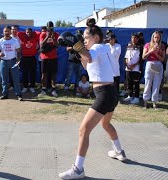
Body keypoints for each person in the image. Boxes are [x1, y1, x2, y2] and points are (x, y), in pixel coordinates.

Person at [58, 18, 125, 179]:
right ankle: (119, 151)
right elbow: (88, 64)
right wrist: (77, 52)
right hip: (111, 91)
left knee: (83, 130)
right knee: (106, 124)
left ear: (95, 37)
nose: (84, 41)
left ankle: (78, 169)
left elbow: (88, 56)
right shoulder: (102, 49)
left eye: (86, 38)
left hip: (104, 93)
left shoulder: (98, 47)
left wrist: (76, 44)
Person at [0, 26, 23, 101]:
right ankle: (5, 94)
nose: (6, 33)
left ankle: (18, 95)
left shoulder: (14, 41)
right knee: (4, 79)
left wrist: (18, 60)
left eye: (8, 31)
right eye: (5, 31)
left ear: (10, 32)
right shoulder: (0, 41)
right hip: (3, 62)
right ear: (3, 32)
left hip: (13, 61)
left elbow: (18, 51)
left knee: (16, 79)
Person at [142, 31, 165, 109]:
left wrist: (156, 53)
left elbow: (162, 59)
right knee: (148, 82)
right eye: (155, 37)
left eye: (158, 37)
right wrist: (151, 51)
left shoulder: (162, 46)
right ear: (153, 37)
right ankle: (145, 101)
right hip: (150, 64)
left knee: (157, 83)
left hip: (158, 64)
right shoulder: (147, 45)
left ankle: (154, 102)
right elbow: (143, 57)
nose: (156, 39)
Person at [39, 21, 59, 97]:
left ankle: (54, 90)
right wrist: (47, 36)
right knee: (44, 74)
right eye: (49, 28)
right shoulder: (43, 34)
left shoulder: (56, 34)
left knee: (53, 74)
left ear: (53, 28)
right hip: (44, 58)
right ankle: (43, 90)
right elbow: (41, 45)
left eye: (51, 28)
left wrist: (53, 38)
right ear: (47, 28)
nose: (50, 30)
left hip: (53, 57)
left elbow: (57, 45)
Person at [123, 33, 142, 105]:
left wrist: (134, 65)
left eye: (135, 38)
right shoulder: (128, 46)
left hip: (136, 68)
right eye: (132, 38)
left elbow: (141, 58)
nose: (133, 39)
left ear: (138, 39)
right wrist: (127, 64)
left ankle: (136, 97)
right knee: (129, 82)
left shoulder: (140, 47)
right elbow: (126, 57)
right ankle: (130, 95)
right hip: (128, 68)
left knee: (136, 83)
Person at [18, 27, 39, 93]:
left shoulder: (34, 38)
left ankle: (32, 86)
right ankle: (25, 86)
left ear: (32, 33)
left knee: (32, 73)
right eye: (27, 32)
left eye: (30, 32)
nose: (28, 33)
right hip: (24, 58)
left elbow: (39, 33)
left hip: (32, 58)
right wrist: (25, 33)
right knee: (25, 73)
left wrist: (33, 33)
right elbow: (18, 33)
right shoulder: (23, 38)